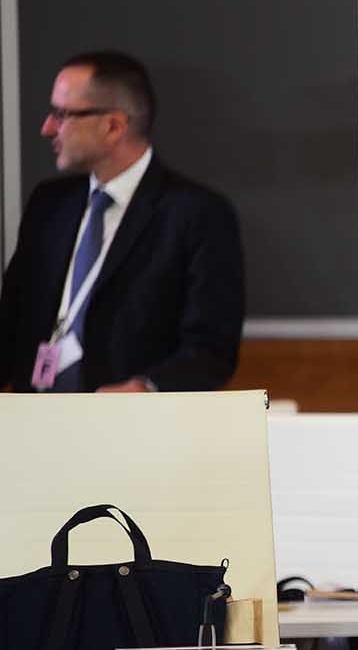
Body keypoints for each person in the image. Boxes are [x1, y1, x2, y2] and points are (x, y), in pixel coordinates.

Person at [0, 51, 244, 394]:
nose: (48, 128)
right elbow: (10, 322)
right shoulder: (49, 204)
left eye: (62, 114)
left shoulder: (197, 214)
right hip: (35, 415)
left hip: (130, 422)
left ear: (113, 126)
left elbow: (211, 349)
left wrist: (146, 388)